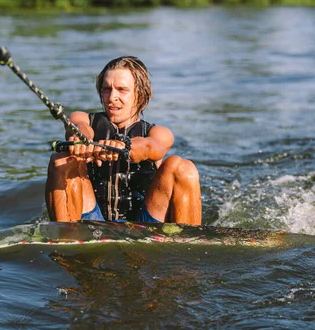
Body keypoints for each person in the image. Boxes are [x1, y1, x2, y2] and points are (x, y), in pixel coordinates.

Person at [45, 56, 201, 225]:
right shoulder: (84, 119)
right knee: (62, 160)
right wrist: (81, 139)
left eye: (122, 89)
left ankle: (187, 242)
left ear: (140, 96)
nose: (112, 97)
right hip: (92, 218)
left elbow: (150, 146)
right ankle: (65, 237)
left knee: (182, 166)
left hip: (146, 222)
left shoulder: (157, 133)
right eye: (106, 89)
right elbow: (78, 126)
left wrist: (124, 146)